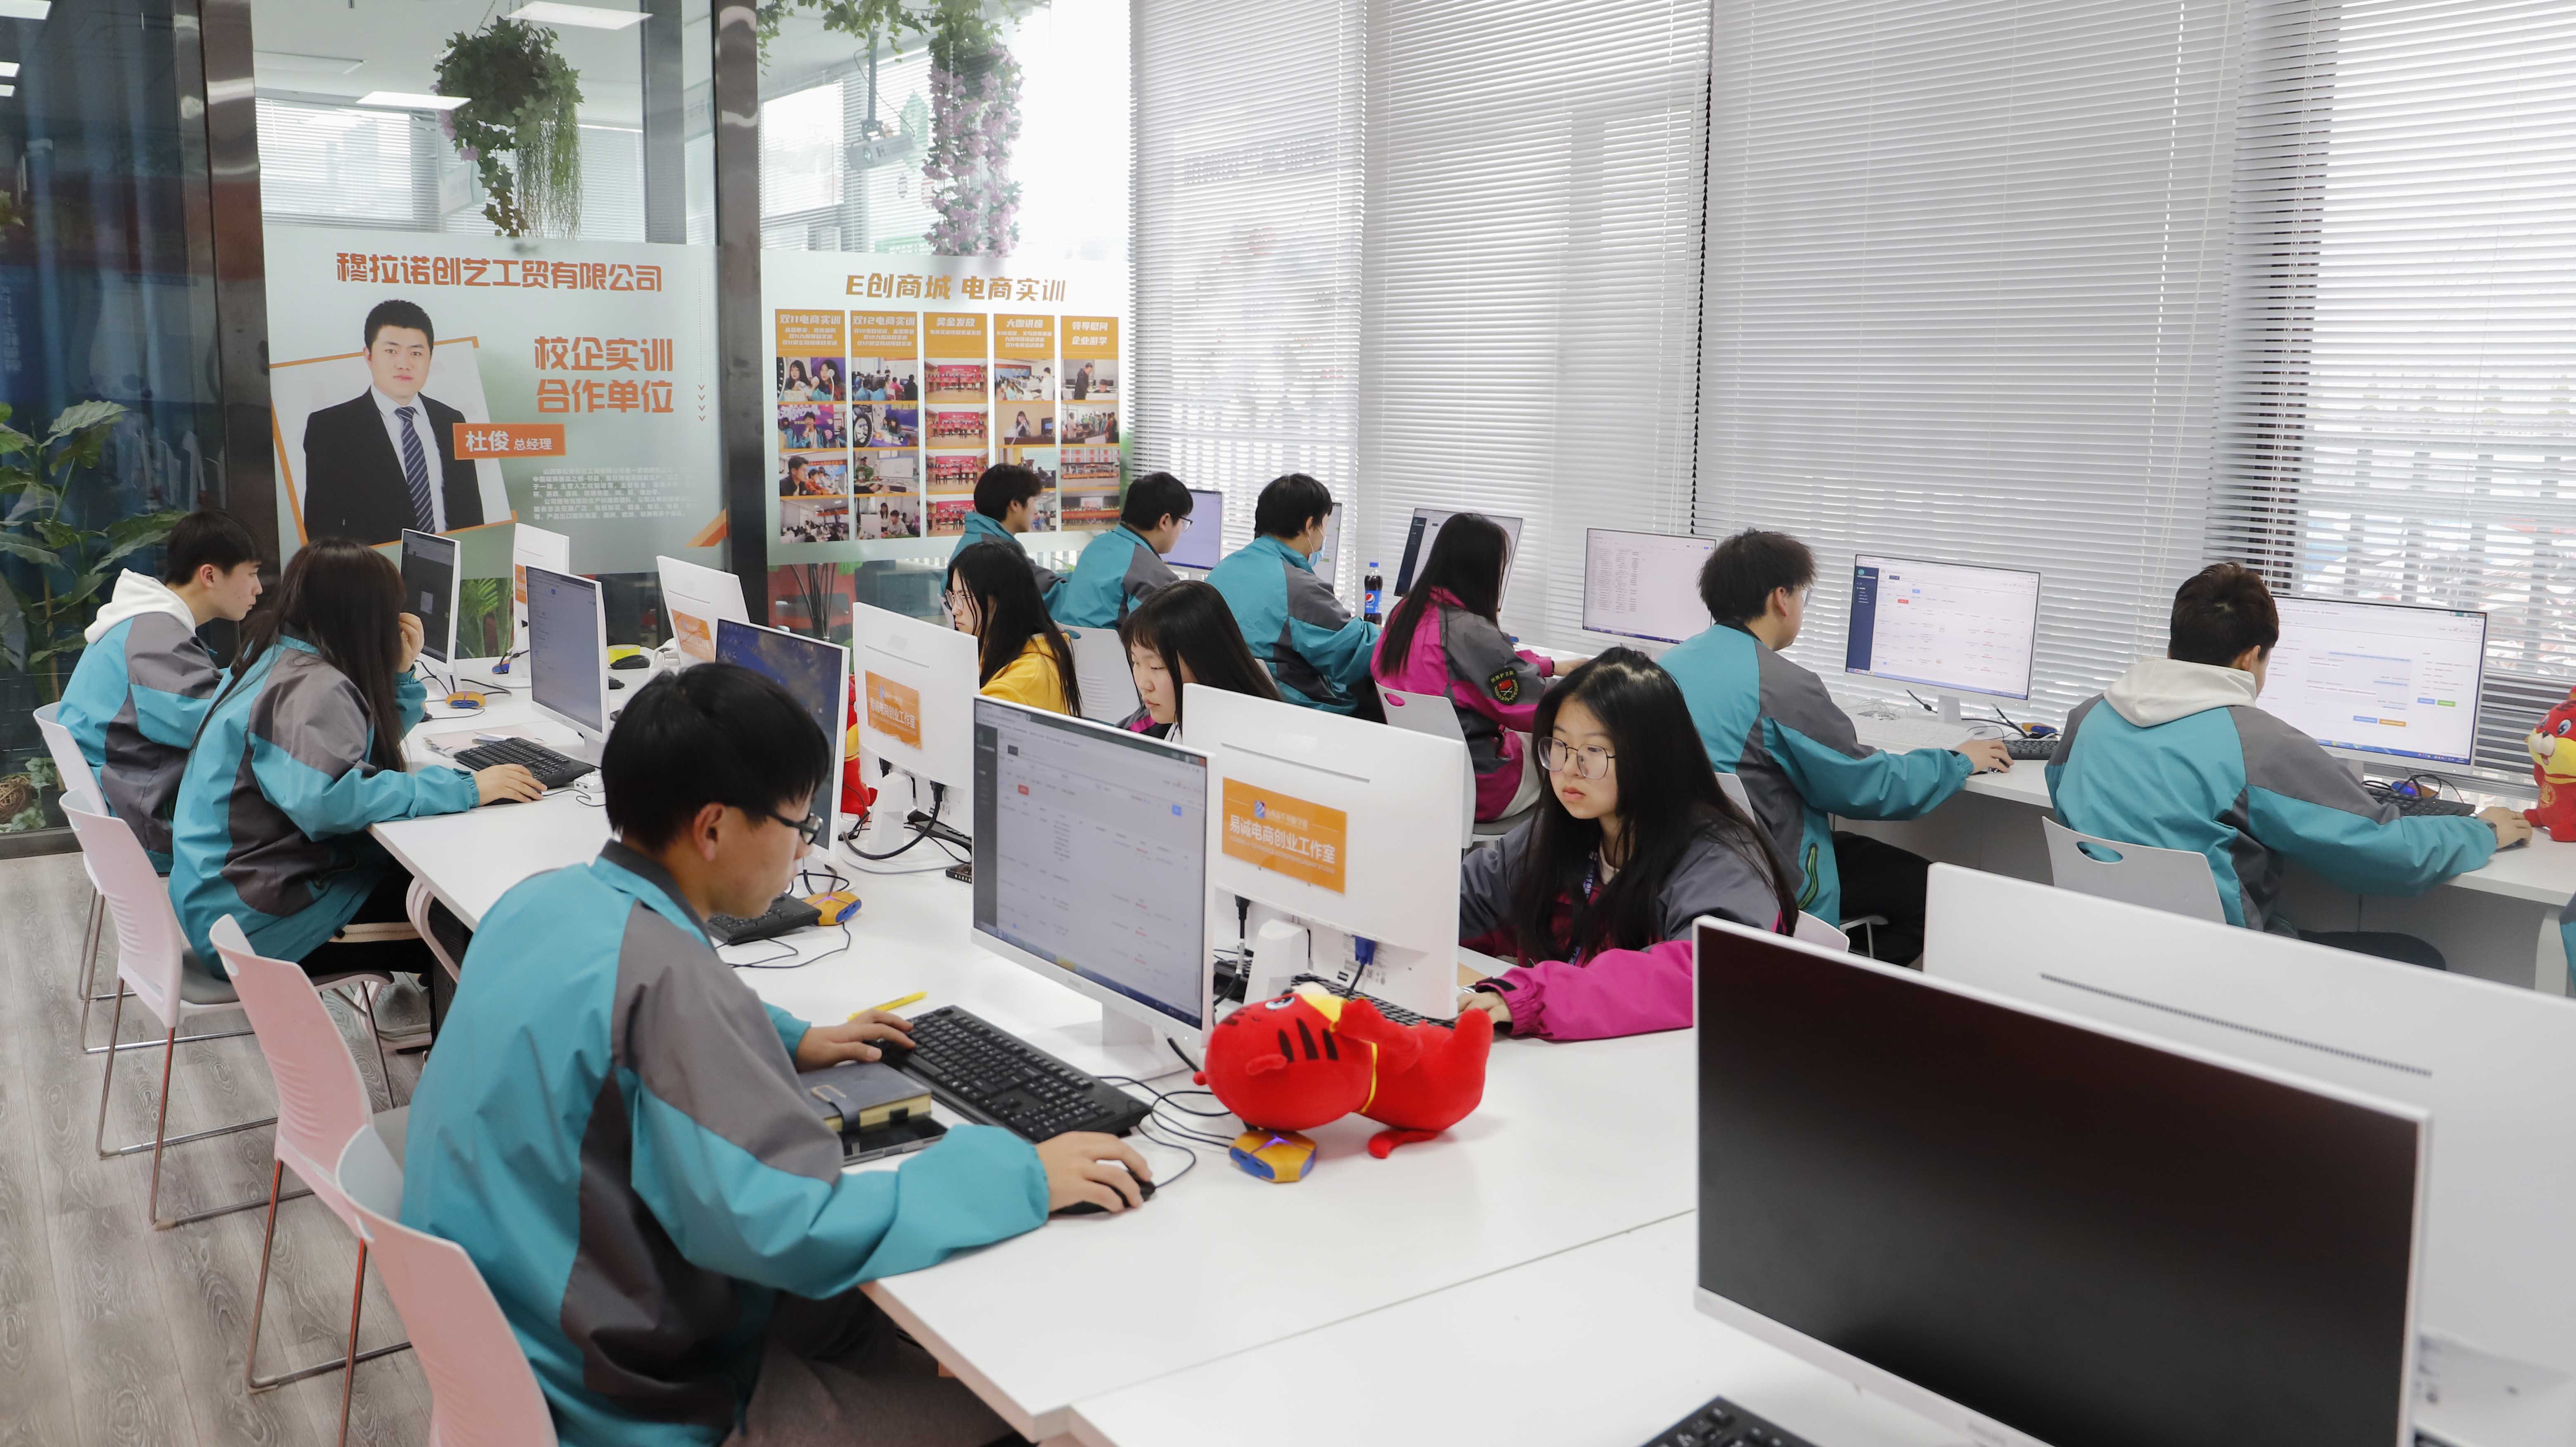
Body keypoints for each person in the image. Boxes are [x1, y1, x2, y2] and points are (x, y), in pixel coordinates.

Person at [401, 662, 1152, 1447]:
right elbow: (792, 1230)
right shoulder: (675, 988)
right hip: (633, 1403)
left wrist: (789, 1038)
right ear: (714, 828)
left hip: (522, 1344)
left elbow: (620, 1008)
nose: (803, 849)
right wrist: (1022, 1176)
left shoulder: (542, 901)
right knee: (1028, 1415)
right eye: (798, 824)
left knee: (864, 1316)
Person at [2048, 563, 2522, 967]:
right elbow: (2389, 853)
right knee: (2418, 957)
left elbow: (2065, 792)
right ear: (2251, 658)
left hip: (2105, 951)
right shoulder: (2257, 744)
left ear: (2174, 647)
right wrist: (2483, 831)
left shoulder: (2087, 718)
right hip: (2222, 969)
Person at [167, 538, 542, 978]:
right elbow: (330, 802)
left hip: (227, 901)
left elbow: (348, 751)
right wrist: (467, 788)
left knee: (438, 881)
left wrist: (398, 678)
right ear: (365, 617)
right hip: (264, 924)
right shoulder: (311, 687)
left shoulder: (274, 655)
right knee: (471, 918)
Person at [1657, 529, 2008, 964]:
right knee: (1933, 891)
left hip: (1682, 863)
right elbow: (1869, 785)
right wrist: (1958, 761)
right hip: (1769, 874)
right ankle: (1833, 980)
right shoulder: (1781, 685)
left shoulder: (1668, 666)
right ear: (1781, 599)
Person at [1456, 651, 1796, 1041]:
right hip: (1579, 1057)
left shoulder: (1720, 858)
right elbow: (1465, 901)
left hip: (1678, 1065)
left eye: (1594, 752)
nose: (1569, 769)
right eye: (1560, 745)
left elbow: (1704, 972)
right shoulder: (1562, 832)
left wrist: (1537, 997)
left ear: (1651, 759)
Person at [56, 510, 265, 869]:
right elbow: (221, 728)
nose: (258, 588)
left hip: (128, 798)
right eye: (252, 574)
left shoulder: (144, 625)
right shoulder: (154, 640)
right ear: (210, 575)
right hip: (149, 821)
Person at [1369, 512, 1586, 821]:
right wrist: (1589, 684)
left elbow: (1484, 670)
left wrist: (1548, 665)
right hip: (1480, 785)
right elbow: (1533, 707)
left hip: (1421, 775)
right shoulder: (1468, 631)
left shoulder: (1404, 613)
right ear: (1483, 572)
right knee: (1574, 756)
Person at [301, 299, 486, 545]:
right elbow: (321, 532)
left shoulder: (452, 420)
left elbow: (471, 514)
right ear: (368, 356)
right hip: (373, 567)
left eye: (416, 353)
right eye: (391, 351)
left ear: (430, 358)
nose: (404, 364)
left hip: (450, 561)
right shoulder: (331, 427)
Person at [1205, 472, 1378, 716]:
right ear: (1309, 526)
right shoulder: (1297, 587)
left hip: (1232, 708)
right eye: (1325, 525)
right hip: (1293, 714)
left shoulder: (1222, 570)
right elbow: (1356, 654)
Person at [1118, 579, 1280, 743]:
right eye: (1136, 662)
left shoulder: (1256, 741)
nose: (1143, 685)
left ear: (1207, 665)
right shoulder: (1158, 718)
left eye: (1156, 667)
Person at [949, 540, 1083, 716]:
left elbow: (964, 723)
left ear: (1000, 600)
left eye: (965, 597)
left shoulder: (1025, 679)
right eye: (953, 596)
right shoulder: (995, 649)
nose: (955, 609)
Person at [1053, 471, 1193, 627]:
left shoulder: (1098, 544)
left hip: (1067, 641)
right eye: (1183, 522)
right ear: (1165, 521)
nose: (1182, 530)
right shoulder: (1156, 575)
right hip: (1110, 644)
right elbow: (1154, 637)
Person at [948, 462, 1066, 607]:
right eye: (1033, 501)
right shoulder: (994, 552)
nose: (1035, 510)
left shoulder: (978, 540)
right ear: (1015, 505)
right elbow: (1049, 592)